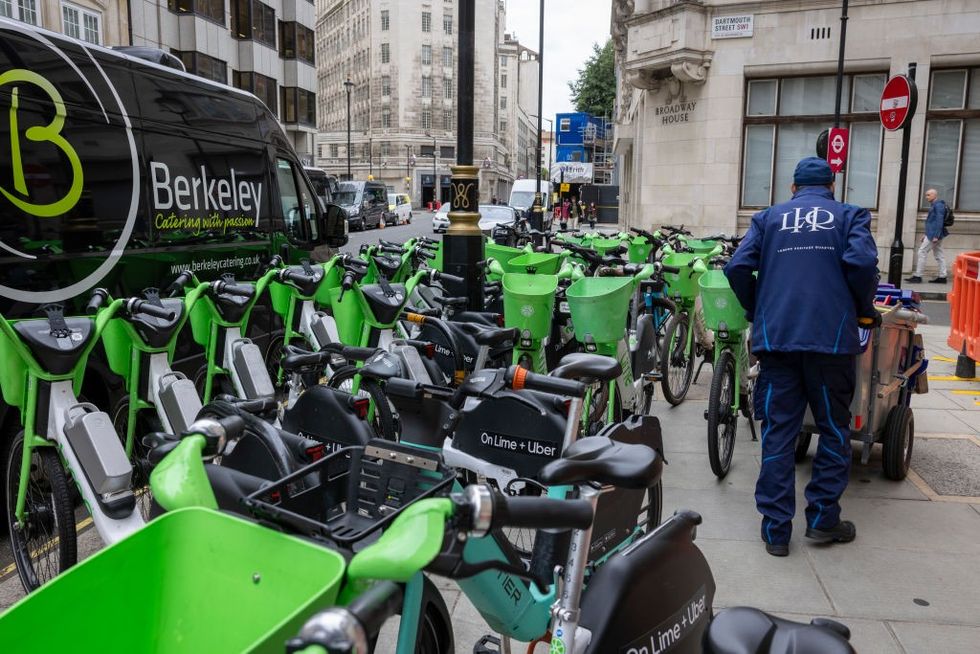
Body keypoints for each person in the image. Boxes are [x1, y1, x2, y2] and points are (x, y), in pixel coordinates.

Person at [724, 157, 879, 558]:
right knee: (832, 430)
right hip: (830, 341)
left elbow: (738, 266)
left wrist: (757, 307)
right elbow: (862, 263)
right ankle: (823, 519)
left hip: (778, 341)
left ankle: (776, 530)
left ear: (792, 188)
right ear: (831, 186)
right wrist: (863, 307)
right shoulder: (849, 216)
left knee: (779, 431)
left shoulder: (769, 218)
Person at [906, 188, 949, 284]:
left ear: (934, 195)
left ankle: (918, 276)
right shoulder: (936, 205)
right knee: (939, 254)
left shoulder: (938, 205)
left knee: (922, 252)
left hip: (934, 234)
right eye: (926, 195)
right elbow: (932, 222)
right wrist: (926, 234)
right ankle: (943, 276)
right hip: (932, 234)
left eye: (928, 195)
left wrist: (936, 236)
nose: (926, 197)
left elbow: (939, 222)